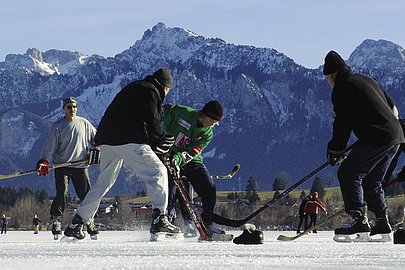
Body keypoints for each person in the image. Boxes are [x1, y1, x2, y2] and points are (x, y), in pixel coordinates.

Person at [63, 68, 182, 241]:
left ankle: (78, 222)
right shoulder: (150, 91)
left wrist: (154, 141)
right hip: (127, 139)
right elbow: (152, 119)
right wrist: (160, 141)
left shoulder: (135, 87)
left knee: (104, 182)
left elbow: (129, 115)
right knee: (157, 172)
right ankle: (160, 219)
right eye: (168, 90)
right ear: (165, 86)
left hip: (107, 140)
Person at [323, 50, 405, 240]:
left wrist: (335, 149)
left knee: (348, 173)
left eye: (328, 78)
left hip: (376, 137)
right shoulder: (369, 80)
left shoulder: (342, 88)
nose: (329, 82)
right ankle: (382, 223)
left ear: (332, 75)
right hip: (396, 135)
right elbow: (392, 108)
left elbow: (343, 123)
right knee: (372, 180)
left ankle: (358, 219)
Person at [36, 96, 99, 239]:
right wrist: (44, 161)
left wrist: (96, 148)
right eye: (69, 107)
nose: (72, 110)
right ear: (64, 109)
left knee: (87, 196)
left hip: (80, 165)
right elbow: (49, 147)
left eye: (74, 107)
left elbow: (96, 139)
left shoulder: (84, 123)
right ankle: (57, 221)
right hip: (62, 166)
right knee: (62, 194)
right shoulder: (58, 126)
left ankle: (89, 221)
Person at [163, 100, 225, 237]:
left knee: (209, 188)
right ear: (203, 114)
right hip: (168, 155)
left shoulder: (207, 133)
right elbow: (161, 114)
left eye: (215, 123)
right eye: (212, 121)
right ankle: (167, 222)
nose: (212, 125)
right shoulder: (182, 112)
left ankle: (207, 222)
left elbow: (193, 151)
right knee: (170, 191)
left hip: (190, 161)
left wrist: (179, 159)